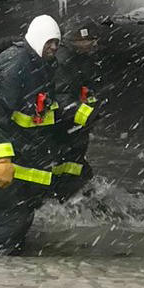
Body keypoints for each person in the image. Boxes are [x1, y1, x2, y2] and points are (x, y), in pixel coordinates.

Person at [0, 15, 62, 253]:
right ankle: (2, 280)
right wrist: (2, 159)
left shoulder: (41, 66)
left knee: (17, 224)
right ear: (37, 40)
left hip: (17, 162)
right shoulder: (14, 67)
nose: (54, 48)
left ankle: (11, 279)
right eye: (49, 42)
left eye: (56, 43)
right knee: (6, 229)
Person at [51, 23, 102, 201]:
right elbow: (61, 98)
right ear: (78, 40)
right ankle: (69, 198)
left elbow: (87, 90)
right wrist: (86, 116)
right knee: (68, 166)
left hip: (75, 130)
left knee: (75, 165)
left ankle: (75, 195)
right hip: (65, 129)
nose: (94, 45)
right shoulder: (63, 62)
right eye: (90, 40)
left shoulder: (82, 59)